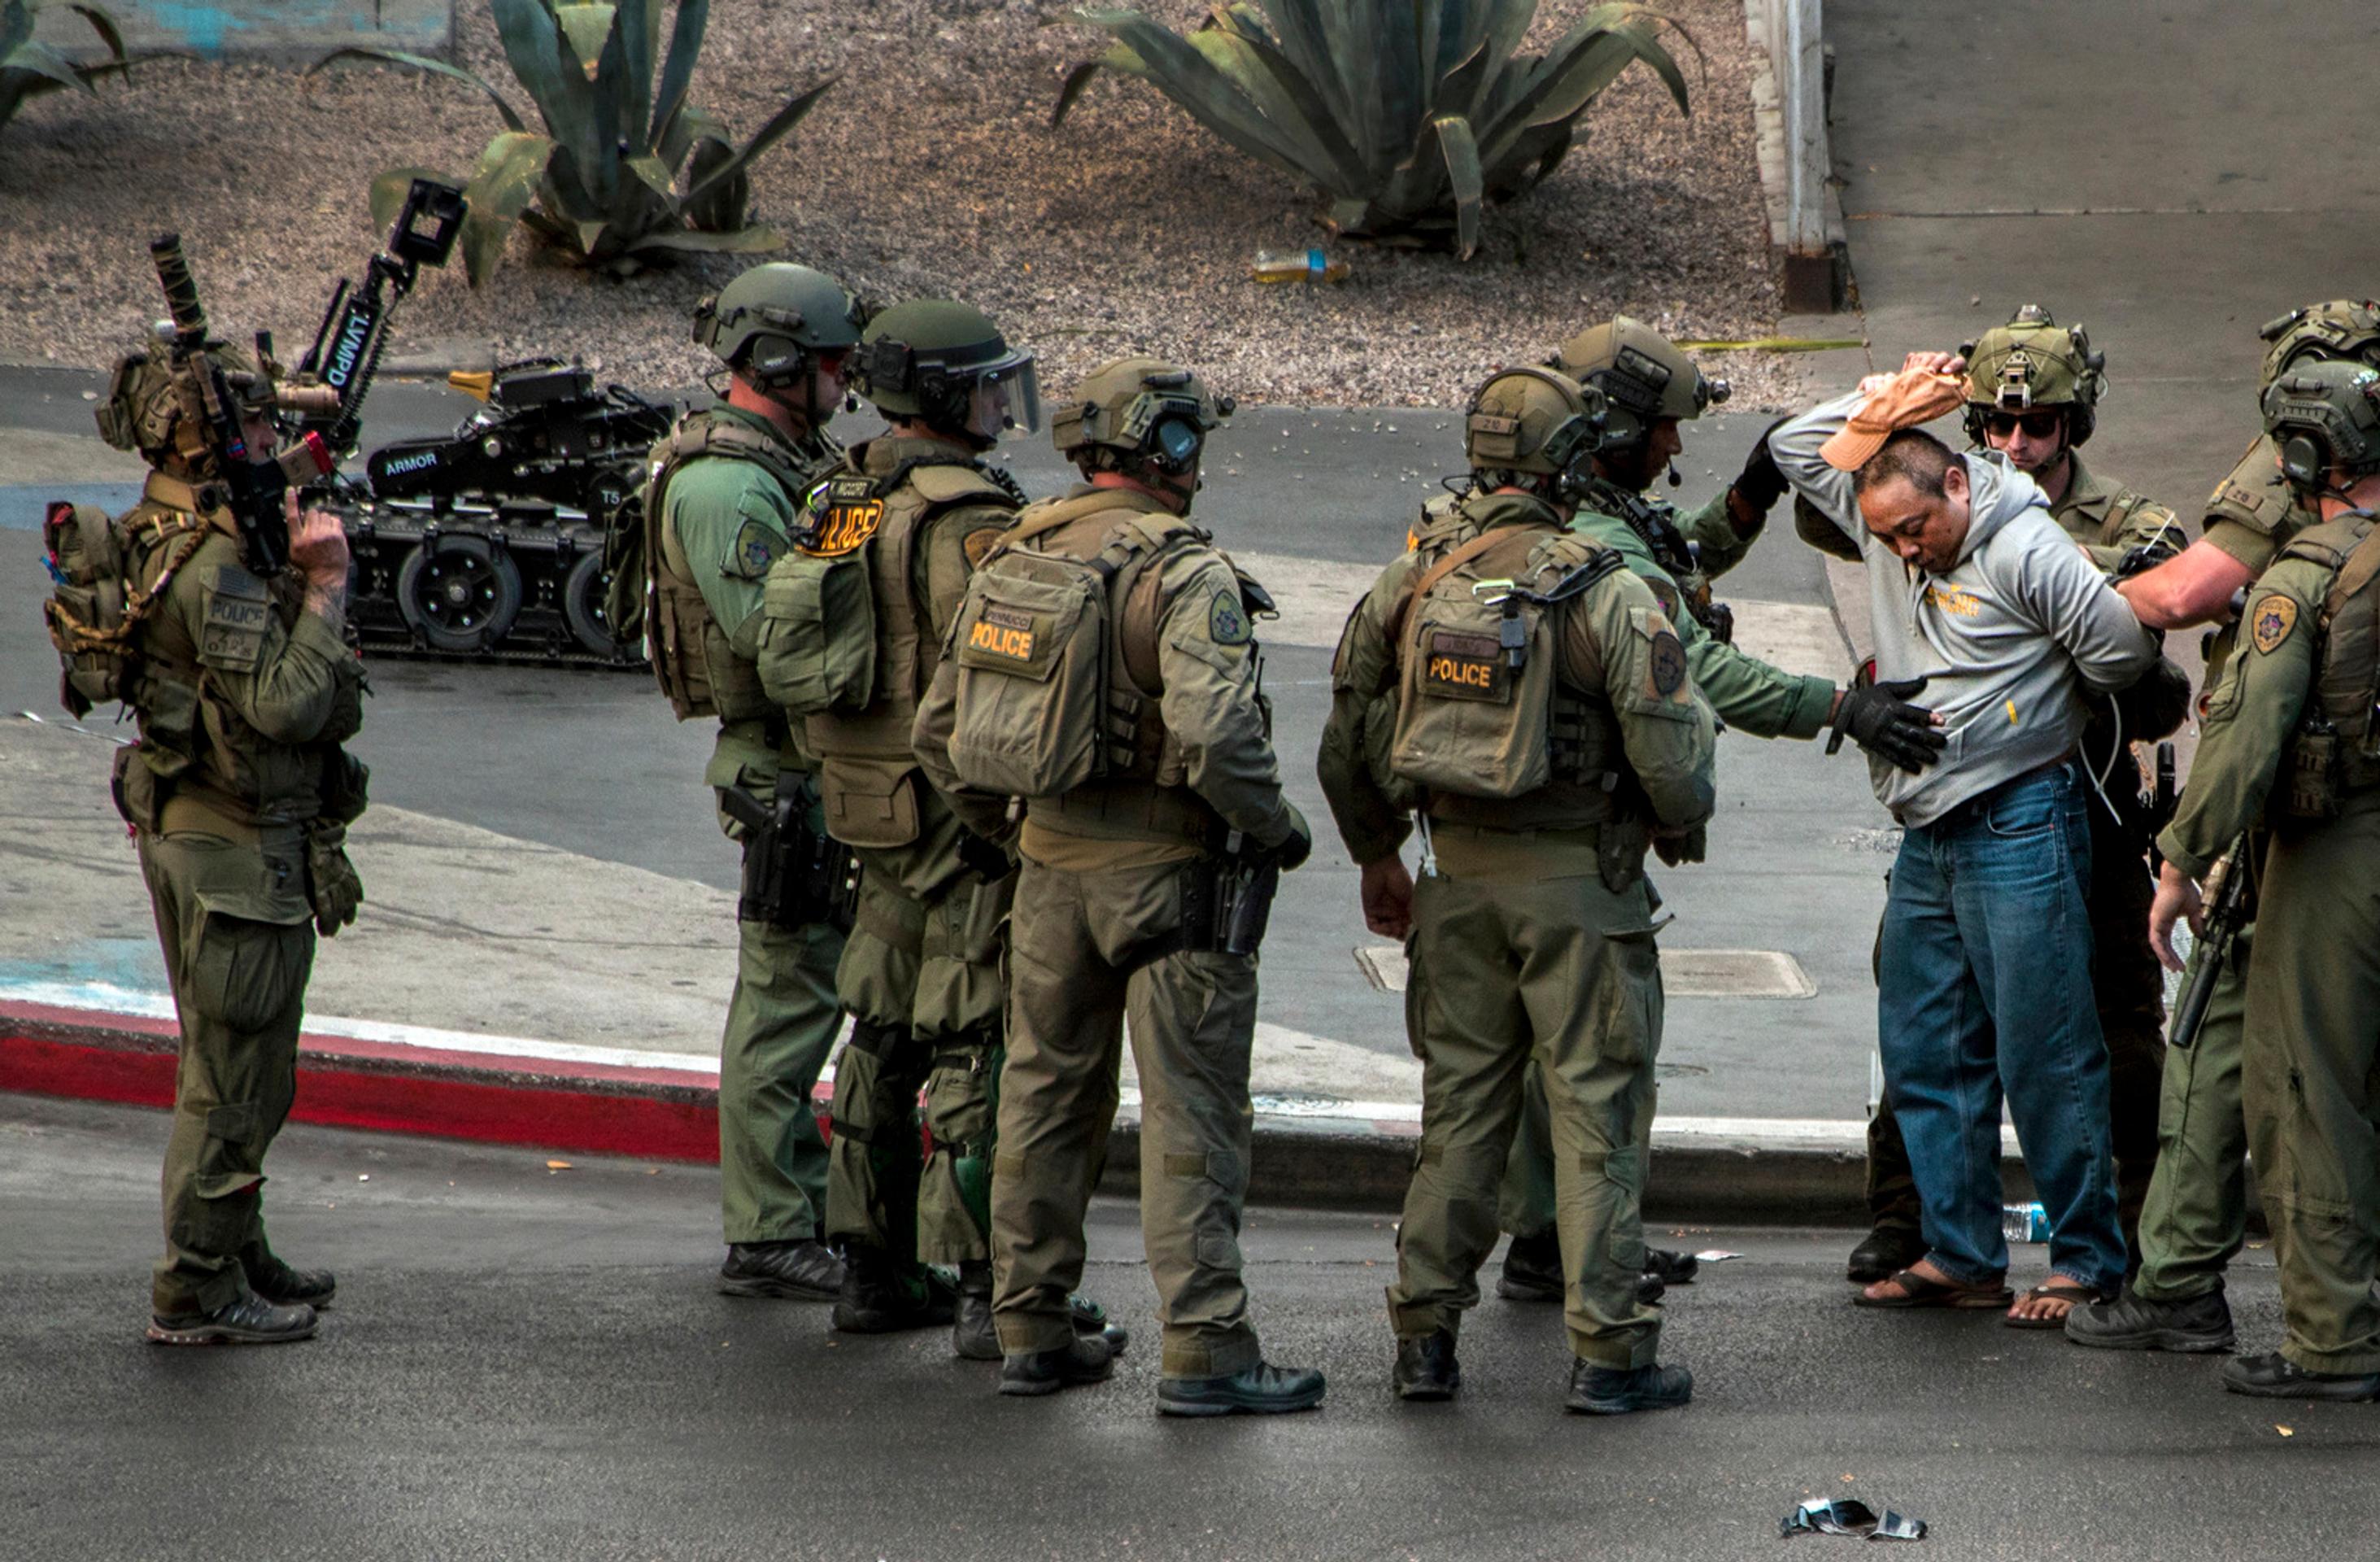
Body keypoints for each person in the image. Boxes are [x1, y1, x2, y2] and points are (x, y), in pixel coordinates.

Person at [1488, 319, 1946, 1305]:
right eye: (1661, 428)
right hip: (1576, 848)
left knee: (1553, 1063)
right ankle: (1575, 1253)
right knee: (1598, 1064)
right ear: (1608, 426)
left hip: (1545, 834)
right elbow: (1706, 667)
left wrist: (1751, 493)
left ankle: (1552, 1240)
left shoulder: (1596, 510)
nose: (1672, 447)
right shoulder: (1593, 536)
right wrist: (1844, 706)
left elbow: (1679, 554)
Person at [912, 356, 1323, 1414]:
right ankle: (1205, 1347)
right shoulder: (1182, 573)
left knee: (1041, 1095)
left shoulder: (1018, 551)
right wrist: (1275, 831)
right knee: (1191, 1111)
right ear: (1168, 447)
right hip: (1170, 882)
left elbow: (937, 732)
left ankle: (1031, 1328)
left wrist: (1013, 838)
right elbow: (1220, 736)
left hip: (1046, 871)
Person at [1319, 366, 1718, 1412]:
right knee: (1594, 1113)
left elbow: (1345, 733)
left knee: (1458, 1117)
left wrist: (1377, 855)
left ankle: (1424, 1342)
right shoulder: (1603, 587)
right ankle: (1609, 1352)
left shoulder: (1411, 580)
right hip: (1580, 892)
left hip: (1452, 887)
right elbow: (1674, 757)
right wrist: (1679, 816)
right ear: (1574, 461)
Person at [758, 299, 1120, 1356]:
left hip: (862, 805)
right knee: (976, 1039)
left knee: (880, 1031)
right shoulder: (967, 517)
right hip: (954, 809)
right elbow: (997, 677)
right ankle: (984, 1290)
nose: (1001, 405)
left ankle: (871, 1270)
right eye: (985, 386)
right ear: (946, 395)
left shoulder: (844, 493)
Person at [1771, 361, 2156, 1326]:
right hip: (1925, 834)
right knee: (1926, 1053)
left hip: (2019, 821)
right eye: (1889, 536)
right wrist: (1890, 399)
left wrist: (2022, 708)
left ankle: (2084, 1261)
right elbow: (1785, 445)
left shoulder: (2026, 545)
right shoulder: (1888, 510)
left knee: (2046, 1052)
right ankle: (1962, 1254)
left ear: (1957, 485)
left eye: (1917, 530)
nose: (1903, 551)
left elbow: (2118, 653)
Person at [1844, 310, 2187, 1286]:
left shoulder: (2125, 528)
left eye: (2037, 425)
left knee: (2095, 1033)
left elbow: (2147, 680)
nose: (2017, 444)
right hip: (1945, 807)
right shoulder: (1926, 502)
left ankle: (2111, 1240)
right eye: (1996, 427)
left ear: (2072, 424)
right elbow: (1826, 476)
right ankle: (1918, 1220)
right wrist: (1890, 403)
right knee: (1925, 1026)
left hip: (2078, 800)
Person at [2069, 300, 2380, 1353]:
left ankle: (2298, 1322)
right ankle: (2184, 1277)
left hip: (2304, 840)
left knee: (2284, 1074)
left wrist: (2177, 859)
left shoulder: (2299, 570)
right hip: (2314, 834)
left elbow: (2209, 642)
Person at [76, 321, 367, 1344]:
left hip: (195, 823)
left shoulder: (166, 529)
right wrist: (324, 584)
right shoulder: (216, 566)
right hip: (233, 844)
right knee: (230, 1078)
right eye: (248, 418)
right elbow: (287, 704)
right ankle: (195, 1289)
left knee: (243, 1064)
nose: (266, 432)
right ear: (198, 436)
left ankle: (236, 1244)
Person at [2145, 358, 2380, 1400]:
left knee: (2308, 1088)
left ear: (2302, 457)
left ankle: (2332, 1339)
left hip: (2339, 861)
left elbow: (2242, 746)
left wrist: (2180, 857)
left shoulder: (2303, 576)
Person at [636, 263, 860, 1307]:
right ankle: (769, 1229)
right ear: (776, 361)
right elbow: (777, 644)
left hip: (809, 764)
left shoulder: (783, 455)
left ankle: (799, 1211)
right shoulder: (729, 486)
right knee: (788, 997)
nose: (844, 382)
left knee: (810, 987)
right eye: (828, 364)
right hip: (785, 771)